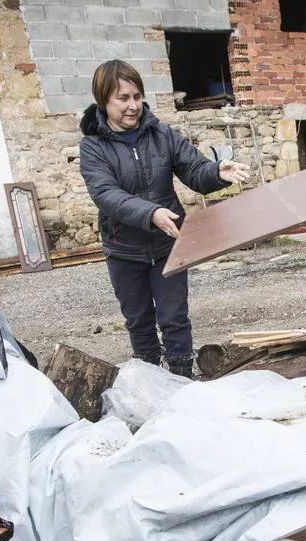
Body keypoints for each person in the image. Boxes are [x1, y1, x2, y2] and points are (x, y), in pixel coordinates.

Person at [79, 59, 249, 378]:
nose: (133, 106)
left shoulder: (162, 134)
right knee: (139, 320)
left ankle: (182, 379)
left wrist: (216, 171)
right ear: (103, 100)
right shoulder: (93, 147)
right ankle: (150, 380)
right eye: (123, 98)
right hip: (124, 250)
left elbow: (194, 171)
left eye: (137, 96)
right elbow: (105, 194)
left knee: (174, 317)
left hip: (168, 244)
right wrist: (150, 212)